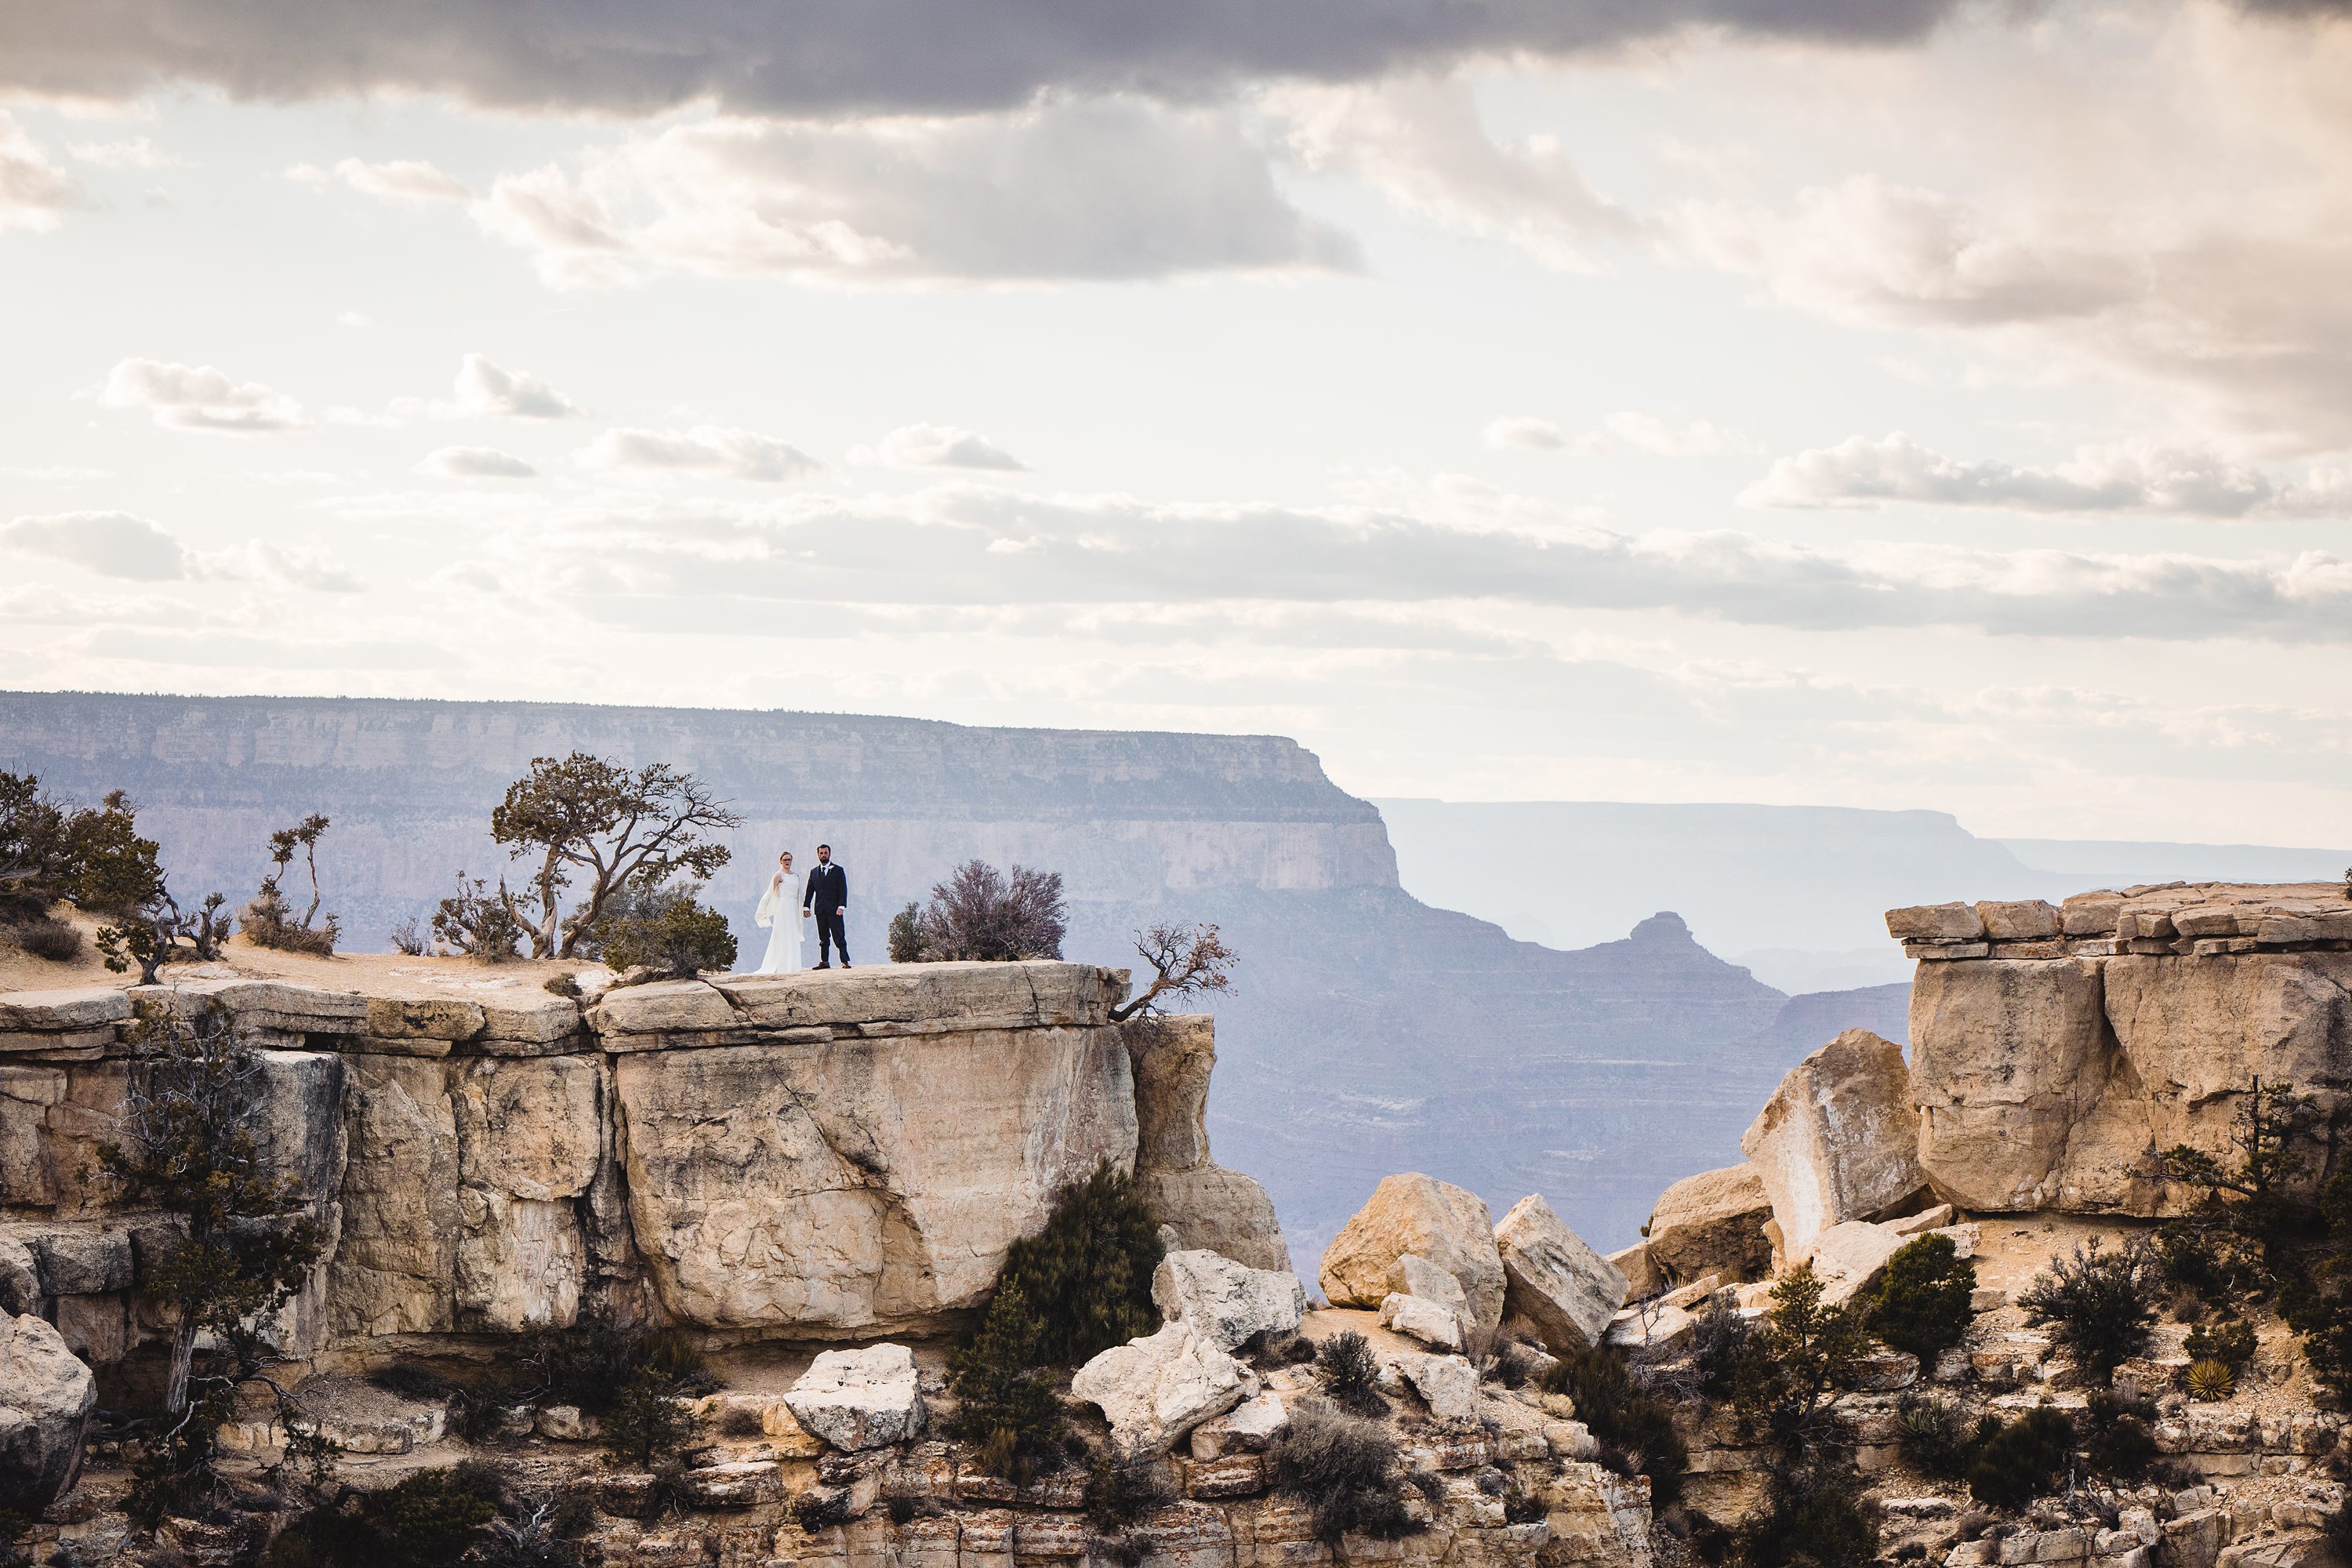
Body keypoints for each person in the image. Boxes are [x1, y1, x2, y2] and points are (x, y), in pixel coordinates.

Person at [752, 849, 806, 975]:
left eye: (789, 859)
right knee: (782, 934)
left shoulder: (796, 875)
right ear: (781, 862)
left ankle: (792, 965)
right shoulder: (778, 876)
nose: (787, 862)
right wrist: (763, 910)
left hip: (794, 908)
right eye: (785, 860)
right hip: (783, 908)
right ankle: (781, 965)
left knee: (792, 933)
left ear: (792, 861)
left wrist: (803, 908)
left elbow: (799, 895)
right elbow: (770, 893)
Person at [804, 843, 850, 969]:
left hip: (835, 910)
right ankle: (824, 961)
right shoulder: (814, 872)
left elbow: (843, 889)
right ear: (818, 854)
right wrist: (806, 907)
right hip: (820, 910)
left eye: (826, 853)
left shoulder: (838, 870)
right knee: (823, 937)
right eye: (821, 853)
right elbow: (810, 891)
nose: (824, 855)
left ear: (829, 854)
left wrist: (842, 906)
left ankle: (845, 961)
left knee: (839, 935)